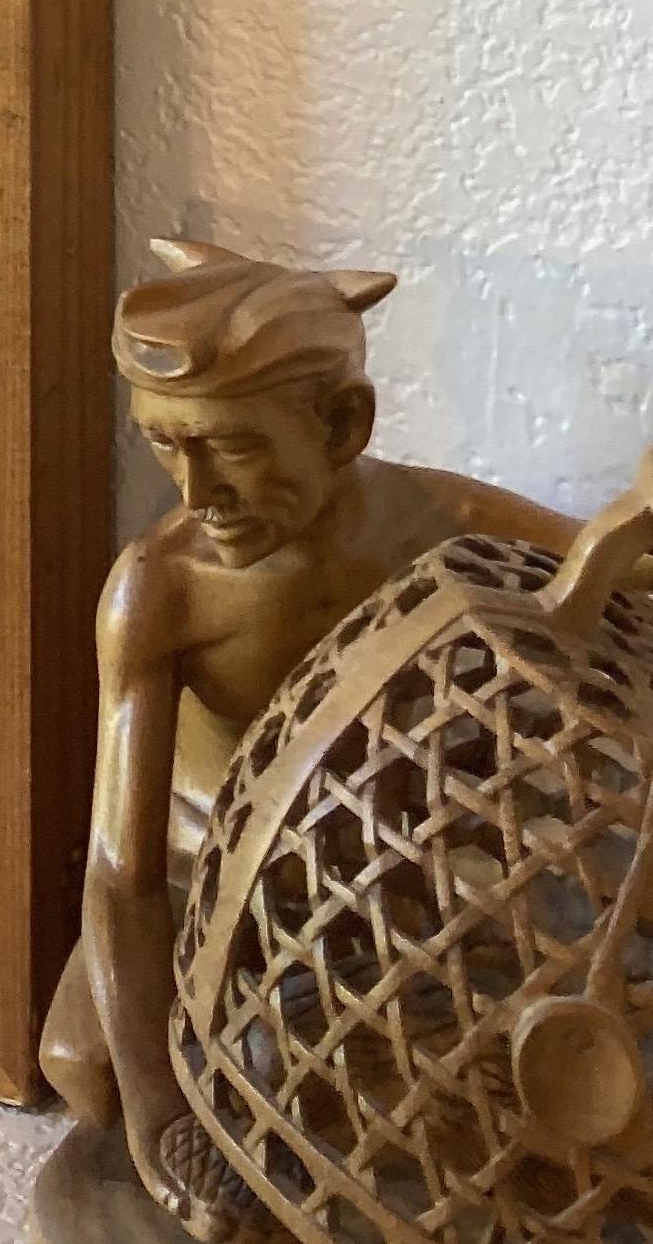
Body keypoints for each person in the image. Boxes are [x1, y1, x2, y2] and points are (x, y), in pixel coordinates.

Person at [41, 240, 575, 1224]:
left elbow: (596, 563)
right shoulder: (157, 591)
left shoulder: (434, 517)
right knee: (89, 1069)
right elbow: (122, 874)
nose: (193, 494)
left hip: (387, 861)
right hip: (211, 883)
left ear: (341, 425)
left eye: (232, 446)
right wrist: (161, 1112)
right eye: (165, 444)